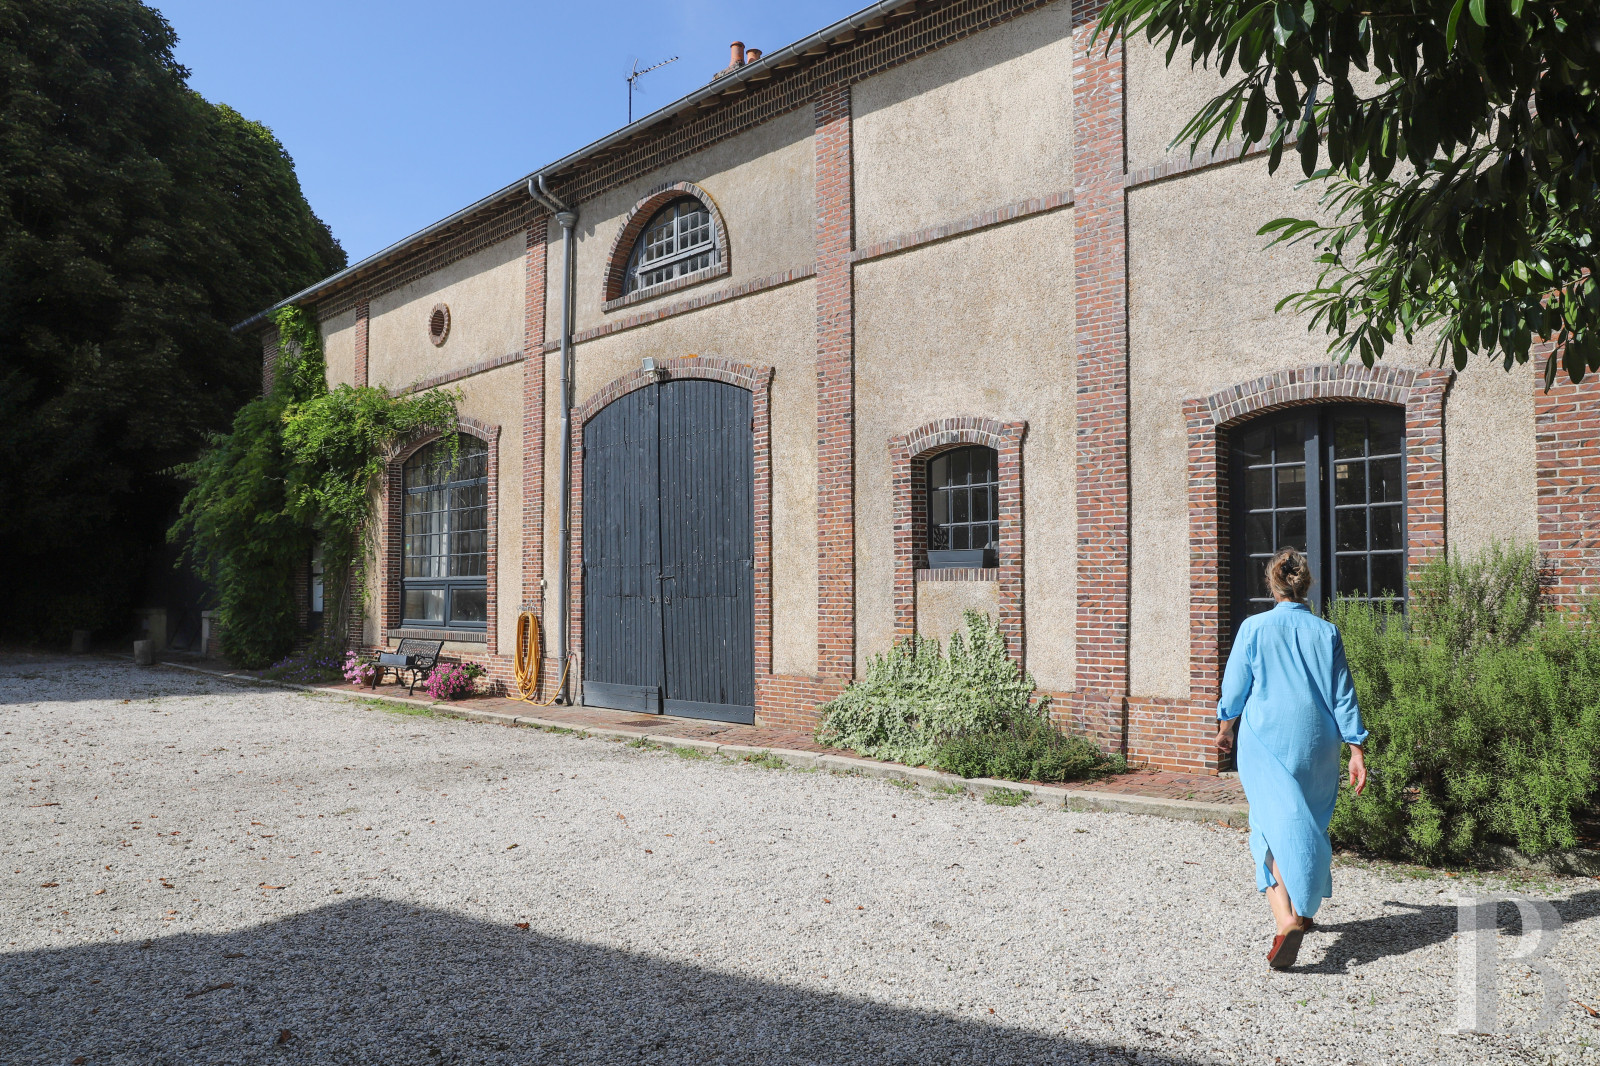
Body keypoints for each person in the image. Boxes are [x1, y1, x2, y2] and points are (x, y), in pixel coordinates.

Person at [1216, 546, 1368, 970]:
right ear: (1306, 585)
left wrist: (1226, 727)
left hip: (1267, 740)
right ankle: (1302, 909)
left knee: (1268, 827)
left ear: (1273, 583)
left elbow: (1235, 689)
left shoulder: (1253, 629)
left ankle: (1286, 919)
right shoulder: (1327, 632)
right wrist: (1356, 748)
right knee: (1308, 821)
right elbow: (1343, 696)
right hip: (1318, 743)